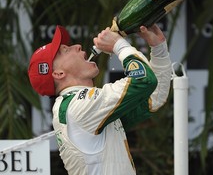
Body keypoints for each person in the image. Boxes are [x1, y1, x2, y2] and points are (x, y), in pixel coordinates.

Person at [28, 24, 172, 175]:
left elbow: (153, 98)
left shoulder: (80, 106)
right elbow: (143, 80)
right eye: (66, 50)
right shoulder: (78, 106)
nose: (77, 46)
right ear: (59, 73)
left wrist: (158, 49)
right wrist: (118, 44)